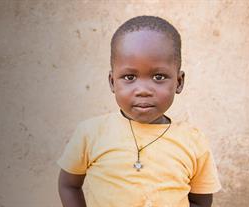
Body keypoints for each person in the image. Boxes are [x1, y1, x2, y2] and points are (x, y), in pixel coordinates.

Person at [57, 16, 221, 207]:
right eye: (129, 77)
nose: (143, 90)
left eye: (159, 77)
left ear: (178, 82)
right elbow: (68, 185)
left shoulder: (193, 141)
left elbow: (201, 202)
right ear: (112, 82)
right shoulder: (91, 133)